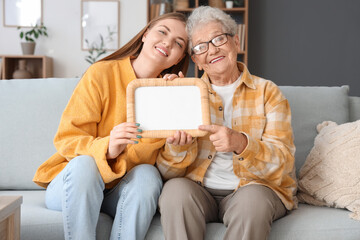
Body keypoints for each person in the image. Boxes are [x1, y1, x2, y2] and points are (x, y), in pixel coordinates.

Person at [33, 12, 189, 240]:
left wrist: (170, 107)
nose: (167, 42)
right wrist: (108, 148)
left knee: (148, 174)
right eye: (162, 32)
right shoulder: (101, 73)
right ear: (145, 35)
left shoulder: (171, 95)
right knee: (85, 164)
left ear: (178, 59)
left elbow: (169, 168)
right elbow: (66, 139)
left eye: (178, 43)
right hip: (76, 185)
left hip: (119, 193)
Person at [156, 6, 297, 240]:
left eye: (219, 38)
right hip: (199, 189)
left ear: (236, 41)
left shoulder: (268, 92)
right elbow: (165, 172)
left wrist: (241, 143)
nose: (212, 50)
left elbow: (283, 164)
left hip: (253, 188)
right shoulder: (185, 94)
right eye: (201, 46)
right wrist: (177, 148)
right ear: (196, 61)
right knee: (174, 192)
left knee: (252, 203)